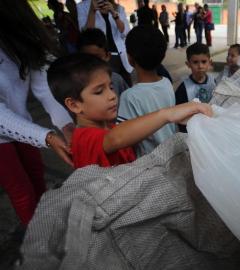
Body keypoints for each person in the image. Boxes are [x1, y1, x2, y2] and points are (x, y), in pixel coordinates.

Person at [48, 53, 212, 168]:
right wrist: (168, 114)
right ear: (74, 105)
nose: (112, 95)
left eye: (111, 87)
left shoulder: (109, 127)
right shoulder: (84, 139)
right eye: (99, 91)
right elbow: (115, 139)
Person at [0, 0, 74, 226]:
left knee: (37, 182)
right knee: (22, 193)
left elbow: (42, 86)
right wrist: (47, 137)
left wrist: (67, 127)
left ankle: (46, 230)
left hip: (23, 121)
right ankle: (39, 244)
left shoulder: (20, 32)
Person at [117, 26, 176, 156]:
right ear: (163, 55)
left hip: (149, 164)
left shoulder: (129, 97)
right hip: (172, 153)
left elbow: (122, 138)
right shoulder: (166, 82)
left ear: (130, 58)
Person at [77, 0, 133, 86]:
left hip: (121, 55)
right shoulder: (82, 7)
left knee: (127, 85)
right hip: (101, 56)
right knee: (111, 86)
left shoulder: (118, 7)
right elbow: (85, 34)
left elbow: (124, 31)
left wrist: (114, 14)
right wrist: (92, 12)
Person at [175, 43, 216, 132]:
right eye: (195, 62)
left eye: (204, 62)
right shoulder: (183, 88)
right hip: (192, 131)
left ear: (210, 62)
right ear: (188, 64)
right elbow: (179, 115)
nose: (200, 66)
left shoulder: (214, 83)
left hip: (212, 127)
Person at [78, 28, 128, 98]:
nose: (92, 63)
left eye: (97, 58)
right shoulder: (76, 85)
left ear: (107, 56)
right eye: (87, 59)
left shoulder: (117, 80)